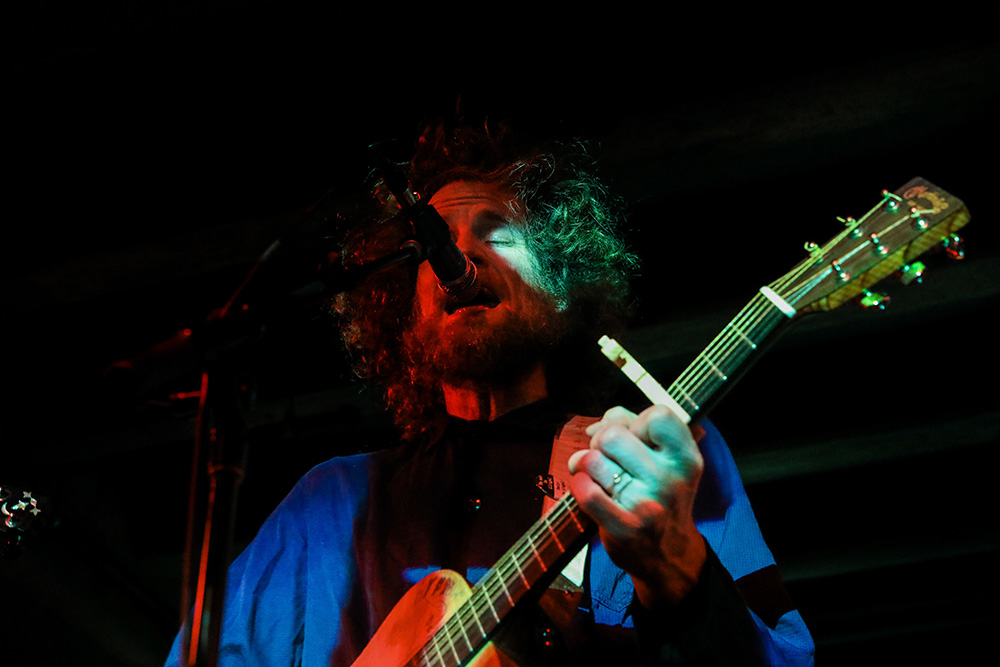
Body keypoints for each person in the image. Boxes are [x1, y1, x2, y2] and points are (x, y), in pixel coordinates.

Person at [164, 122, 815, 666]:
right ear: (404, 308)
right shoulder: (328, 504)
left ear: (562, 282)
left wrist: (679, 573)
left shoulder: (655, 458)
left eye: (497, 231)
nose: (462, 260)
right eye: (436, 247)